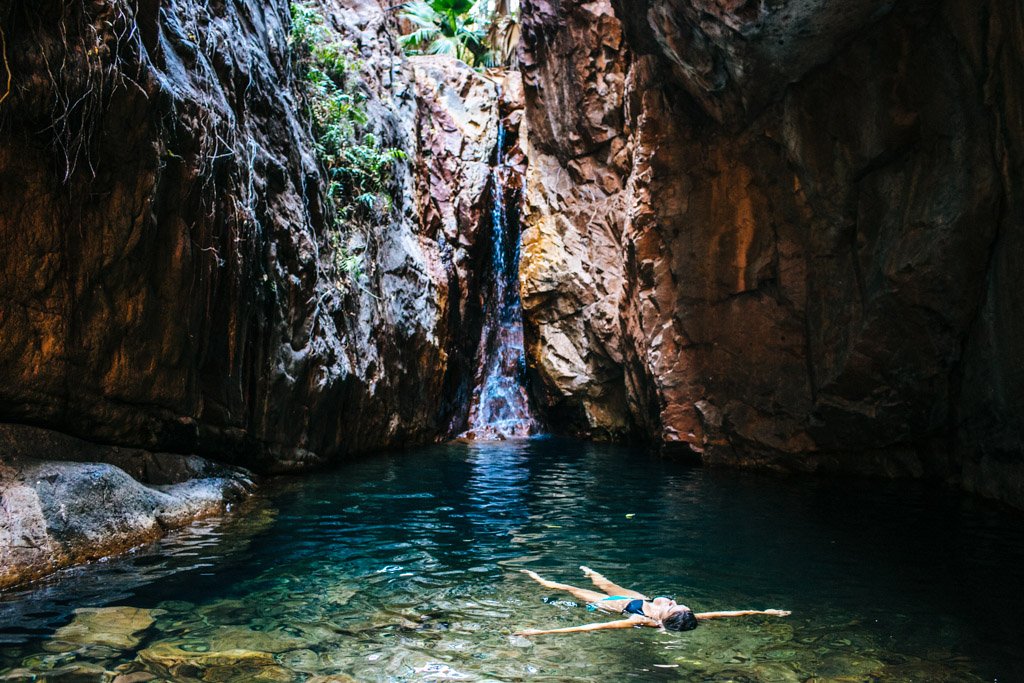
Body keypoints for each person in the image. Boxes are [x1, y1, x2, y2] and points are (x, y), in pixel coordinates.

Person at [515, 566, 791, 636]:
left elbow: (590, 629)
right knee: (603, 580)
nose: (672, 601)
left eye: (672, 606)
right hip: (636, 598)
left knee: (565, 587)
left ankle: (535, 577)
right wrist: (763, 611)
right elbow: (727, 613)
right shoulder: (676, 613)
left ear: (665, 618)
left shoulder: (640, 620)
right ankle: (589, 571)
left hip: (612, 604)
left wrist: (541, 631)